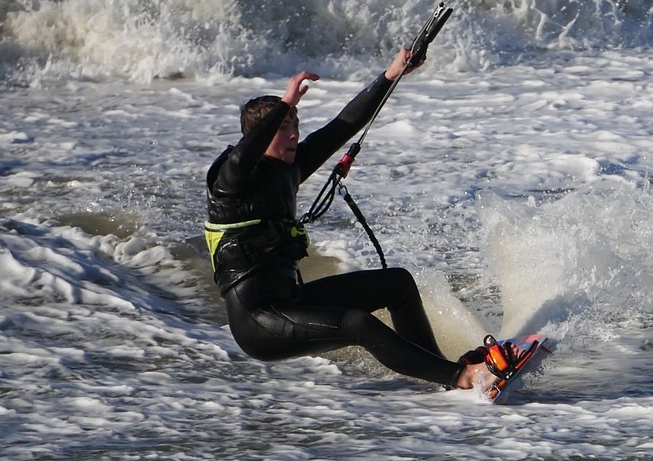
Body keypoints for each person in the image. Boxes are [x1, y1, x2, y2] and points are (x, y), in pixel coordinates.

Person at [204, 49, 511, 392]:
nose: (293, 135)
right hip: (259, 322)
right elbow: (244, 155)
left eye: (295, 126)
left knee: (398, 284)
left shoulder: (289, 168)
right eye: (282, 128)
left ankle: (444, 375)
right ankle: (464, 377)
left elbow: (342, 125)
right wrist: (284, 104)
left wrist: (391, 75)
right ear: (258, 135)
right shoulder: (228, 182)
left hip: (292, 301)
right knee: (357, 324)